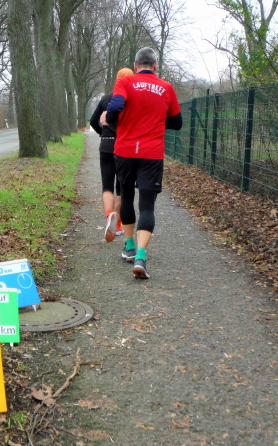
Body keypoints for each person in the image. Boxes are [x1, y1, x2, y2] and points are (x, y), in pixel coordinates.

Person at [103, 47, 182, 279]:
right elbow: (177, 122)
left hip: (125, 150)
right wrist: (155, 118)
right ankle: (141, 257)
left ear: (135, 66)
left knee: (127, 197)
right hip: (151, 153)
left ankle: (129, 245)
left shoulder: (125, 82)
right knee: (147, 206)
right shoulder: (166, 87)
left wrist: (112, 119)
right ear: (155, 66)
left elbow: (115, 106)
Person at [89, 67, 134, 242]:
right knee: (121, 188)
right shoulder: (133, 100)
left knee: (107, 186)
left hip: (107, 144)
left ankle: (109, 215)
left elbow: (93, 121)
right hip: (125, 146)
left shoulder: (106, 98)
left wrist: (103, 133)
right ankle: (118, 225)